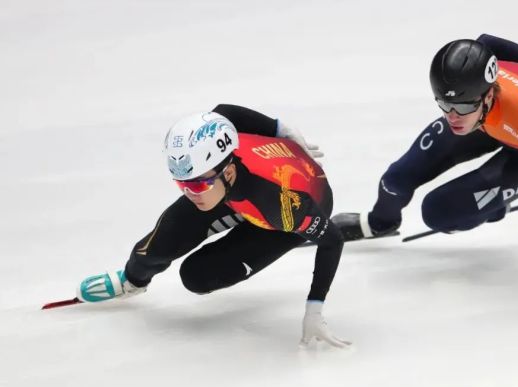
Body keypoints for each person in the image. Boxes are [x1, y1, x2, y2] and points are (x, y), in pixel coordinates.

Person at [76, 104, 350, 348]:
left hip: (284, 215)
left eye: (196, 184)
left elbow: (332, 240)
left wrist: (315, 307)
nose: (190, 193)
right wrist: (281, 129)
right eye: (182, 184)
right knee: (158, 244)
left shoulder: (280, 206)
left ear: (228, 172)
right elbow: (225, 111)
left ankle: (277, 224)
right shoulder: (215, 147)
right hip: (237, 191)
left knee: (197, 277)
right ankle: (132, 282)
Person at [333, 34, 518, 239]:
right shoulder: (468, 98)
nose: (452, 117)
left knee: (439, 213)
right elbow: (487, 41)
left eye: (461, 107)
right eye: (443, 105)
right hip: (490, 123)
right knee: (396, 179)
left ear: (488, 95)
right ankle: (380, 223)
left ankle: (495, 207)